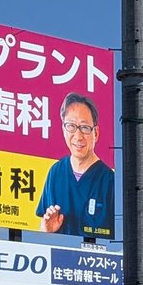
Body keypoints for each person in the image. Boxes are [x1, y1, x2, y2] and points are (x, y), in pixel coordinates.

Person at [36, 92, 115, 237]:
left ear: (95, 133)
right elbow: (42, 225)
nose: (78, 137)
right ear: (63, 130)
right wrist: (47, 229)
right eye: (71, 126)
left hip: (95, 258)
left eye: (84, 128)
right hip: (59, 258)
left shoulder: (110, 180)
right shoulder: (55, 172)